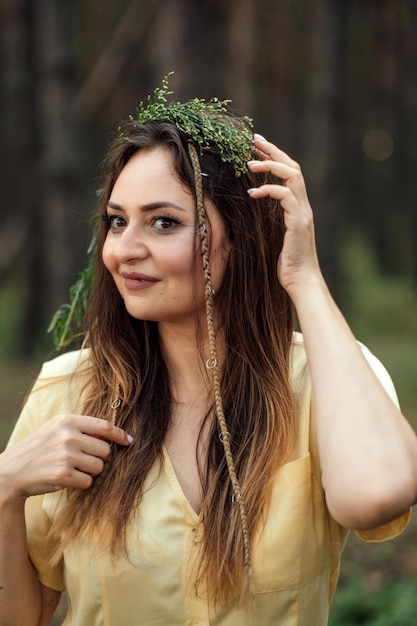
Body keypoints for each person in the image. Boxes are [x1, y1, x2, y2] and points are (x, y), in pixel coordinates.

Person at [1, 76, 417, 626]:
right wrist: (5, 488)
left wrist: (304, 277)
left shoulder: (327, 379)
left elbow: (377, 494)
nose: (124, 250)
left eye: (164, 222)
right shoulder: (67, 392)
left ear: (239, 238)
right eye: (117, 221)